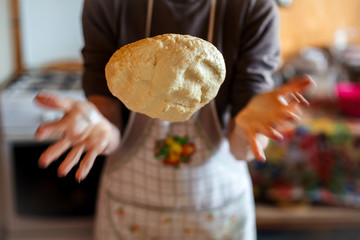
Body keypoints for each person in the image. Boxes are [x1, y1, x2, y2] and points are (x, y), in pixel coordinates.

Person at [34, 0, 315, 239]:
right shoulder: (108, 4)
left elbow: (242, 148)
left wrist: (250, 127)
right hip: (129, 212)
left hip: (218, 211)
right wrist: (101, 128)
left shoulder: (252, 6)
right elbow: (108, 117)